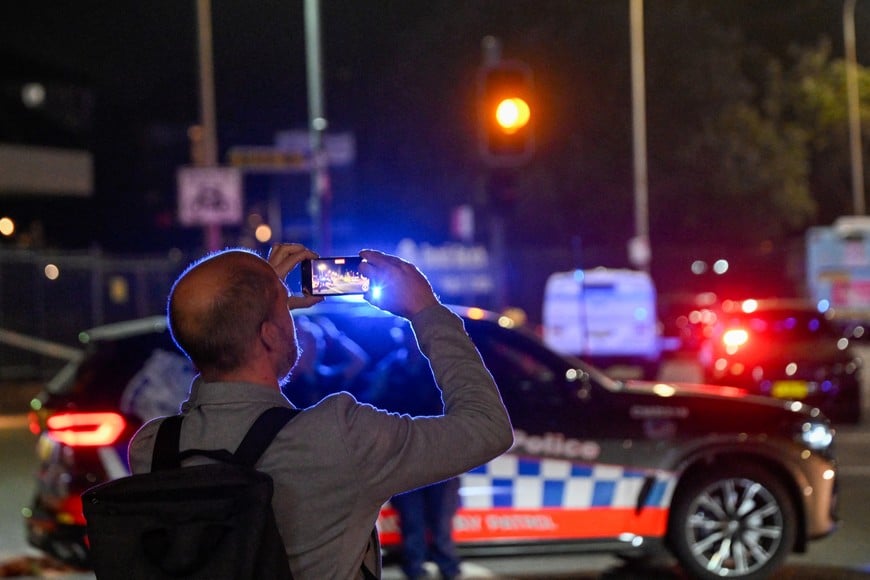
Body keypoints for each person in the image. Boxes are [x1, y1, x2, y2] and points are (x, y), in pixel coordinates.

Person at [127, 243, 513, 579]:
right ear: (269, 333)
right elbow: (488, 427)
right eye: (283, 312)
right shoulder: (340, 436)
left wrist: (255, 311)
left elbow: (206, 394)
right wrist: (427, 311)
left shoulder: (152, 447)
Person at [367, 321, 462, 580]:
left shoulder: (438, 368)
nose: (413, 340)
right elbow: (372, 399)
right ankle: (415, 568)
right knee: (412, 520)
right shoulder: (390, 367)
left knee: (441, 519)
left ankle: (448, 568)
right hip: (404, 453)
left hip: (440, 454)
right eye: (409, 335)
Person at [282, 314, 369, 407]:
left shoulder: (324, 379)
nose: (315, 346)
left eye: (319, 341)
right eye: (309, 339)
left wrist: (336, 336)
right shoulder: (282, 381)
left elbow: (360, 361)